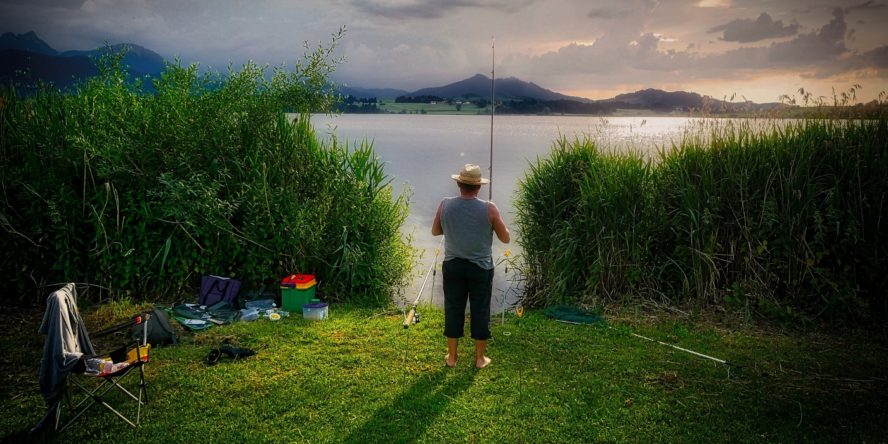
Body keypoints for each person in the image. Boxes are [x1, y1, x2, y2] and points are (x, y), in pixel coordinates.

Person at [432, 164, 510, 369]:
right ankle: (479, 359)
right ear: (479, 187)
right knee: (480, 309)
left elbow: (435, 231)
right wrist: (492, 224)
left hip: (453, 266)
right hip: (480, 269)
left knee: (453, 308)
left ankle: (452, 357)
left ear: (459, 184)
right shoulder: (490, 208)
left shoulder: (445, 204)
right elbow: (505, 238)